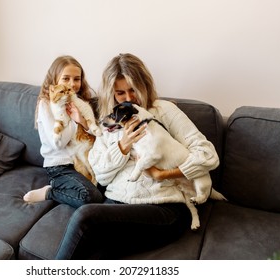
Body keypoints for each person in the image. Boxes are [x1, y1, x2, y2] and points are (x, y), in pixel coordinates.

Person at [54, 53, 220, 259]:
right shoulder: (110, 123)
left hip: (164, 207)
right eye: (120, 93)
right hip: (116, 204)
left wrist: (163, 174)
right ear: (112, 94)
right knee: (94, 251)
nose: (129, 98)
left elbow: (208, 155)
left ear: (145, 86)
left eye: (134, 90)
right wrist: (123, 146)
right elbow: (102, 177)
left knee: (85, 216)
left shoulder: (163, 110)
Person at [23, 55, 103, 208]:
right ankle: (50, 192)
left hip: (82, 159)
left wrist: (82, 120)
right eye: (66, 79)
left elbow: (96, 136)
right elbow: (58, 144)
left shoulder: (80, 101)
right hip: (60, 165)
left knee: (106, 187)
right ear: (55, 80)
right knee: (91, 197)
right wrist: (73, 120)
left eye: (76, 79)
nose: (72, 85)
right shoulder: (46, 105)